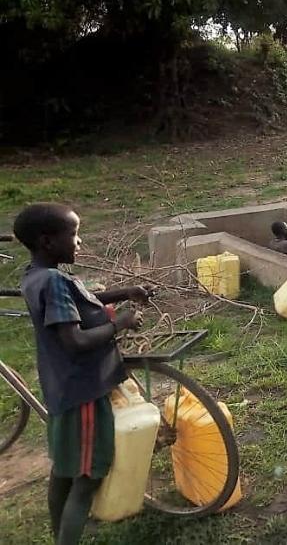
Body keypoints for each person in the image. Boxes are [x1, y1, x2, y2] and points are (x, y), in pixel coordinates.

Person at [12, 202, 150, 545]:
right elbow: (75, 341)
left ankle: (57, 532)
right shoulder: (55, 281)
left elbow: (80, 298)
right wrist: (120, 323)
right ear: (47, 242)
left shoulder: (35, 276)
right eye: (73, 234)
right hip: (84, 393)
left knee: (63, 469)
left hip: (60, 388)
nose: (79, 242)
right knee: (87, 477)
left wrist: (124, 291)